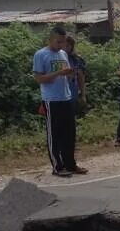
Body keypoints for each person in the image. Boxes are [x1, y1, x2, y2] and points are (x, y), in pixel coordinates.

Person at [33, 26, 86, 177]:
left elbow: (66, 74)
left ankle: (70, 164)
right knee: (54, 134)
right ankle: (57, 166)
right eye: (58, 42)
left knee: (69, 133)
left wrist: (70, 74)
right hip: (51, 99)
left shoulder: (63, 54)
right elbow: (39, 78)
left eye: (63, 42)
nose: (61, 45)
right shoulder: (41, 55)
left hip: (66, 97)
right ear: (51, 39)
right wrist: (58, 73)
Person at [64, 36, 87, 115]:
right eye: (63, 45)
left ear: (72, 47)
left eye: (68, 46)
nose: (65, 48)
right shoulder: (54, 58)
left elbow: (81, 78)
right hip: (57, 96)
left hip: (72, 93)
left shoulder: (76, 60)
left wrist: (83, 95)